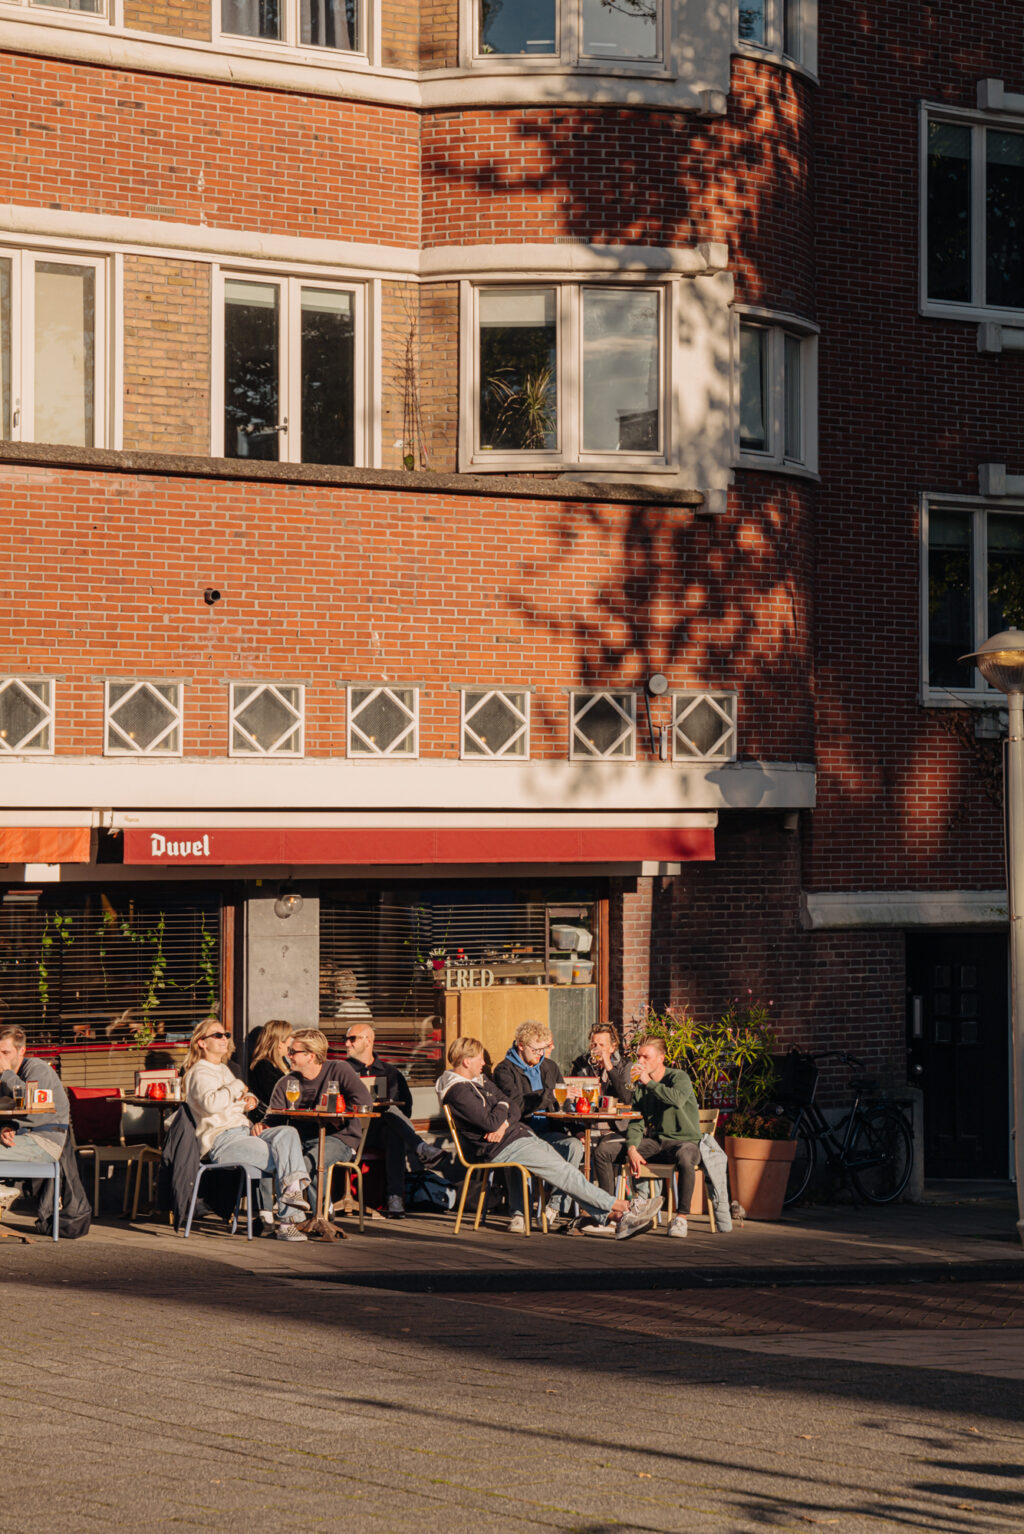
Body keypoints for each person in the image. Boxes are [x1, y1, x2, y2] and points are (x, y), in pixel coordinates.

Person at [436, 1036, 661, 1240]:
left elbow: (512, 1105)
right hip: (501, 1147)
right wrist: (502, 1112)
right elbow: (491, 1121)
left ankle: (618, 1217)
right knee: (564, 1173)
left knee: (567, 1172)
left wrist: (502, 1115)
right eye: (478, 1059)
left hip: (518, 1136)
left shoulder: (480, 1081)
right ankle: (625, 1207)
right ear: (466, 1061)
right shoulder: (458, 1092)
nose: (483, 1063)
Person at [182, 1016, 311, 1241]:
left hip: (244, 1131)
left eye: (226, 1035)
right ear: (202, 1043)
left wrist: (247, 1097)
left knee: (288, 1133)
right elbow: (212, 1103)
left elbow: (240, 1098)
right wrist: (238, 1087)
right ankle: (287, 1221)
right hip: (222, 1140)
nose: (224, 1039)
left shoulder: (222, 1069)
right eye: (217, 1035)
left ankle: (289, 1205)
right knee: (283, 1155)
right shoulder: (199, 1072)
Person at [592, 1035, 701, 1238]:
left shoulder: (678, 1077)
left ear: (661, 1057)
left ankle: (681, 1218)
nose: (640, 1061)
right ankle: (609, 1212)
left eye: (645, 1057)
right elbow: (636, 1120)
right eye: (638, 1056)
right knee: (604, 1151)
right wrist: (632, 1148)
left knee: (686, 1157)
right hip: (657, 1142)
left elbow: (676, 1100)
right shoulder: (642, 1087)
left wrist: (648, 1082)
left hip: (684, 1141)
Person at [344, 1021, 444, 1217]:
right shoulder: (342, 1070)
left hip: (378, 1133)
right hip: (351, 1130)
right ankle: (421, 1148)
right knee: (390, 1115)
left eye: (352, 1039)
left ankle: (394, 1196)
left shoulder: (390, 1073)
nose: (347, 1044)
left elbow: (406, 1109)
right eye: (346, 1040)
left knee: (391, 1124)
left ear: (368, 1040)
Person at [267, 1028, 371, 1216]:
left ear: (311, 1055)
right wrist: (263, 1126)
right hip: (300, 1140)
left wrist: (340, 1116)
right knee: (273, 1157)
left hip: (340, 1138)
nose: (288, 1055)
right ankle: (290, 1218)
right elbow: (273, 1118)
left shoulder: (338, 1069)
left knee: (311, 1162)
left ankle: (319, 1216)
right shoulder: (287, 1082)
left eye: (293, 1052)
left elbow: (364, 1102)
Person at [492, 1020, 583, 1231]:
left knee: (574, 1146)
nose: (540, 1054)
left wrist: (576, 1124)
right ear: (521, 1045)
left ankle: (553, 1207)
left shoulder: (550, 1067)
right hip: (521, 1130)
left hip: (549, 1132)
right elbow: (517, 1105)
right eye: (536, 1049)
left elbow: (563, 1103)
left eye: (544, 1049)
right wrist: (549, 1095)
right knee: (519, 1148)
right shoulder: (504, 1070)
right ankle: (519, 1213)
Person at [0, 1024, 69, 1182]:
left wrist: (7, 1074)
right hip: (20, 1139)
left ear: (21, 1051)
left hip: (44, 1142)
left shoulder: (37, 1068)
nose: (1, 1058)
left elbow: (34, 1107)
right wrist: (5, 1127)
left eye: (5, 1053)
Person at [247, 1018, 292, 1123]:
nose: (292, 1040)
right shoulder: (263, 1066)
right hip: (268, 1121)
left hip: (284, 1117)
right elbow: (276, 1096)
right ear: (280, 1043)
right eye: (290, 1036)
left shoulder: (283, 1062)